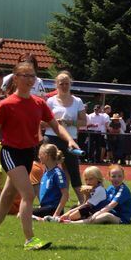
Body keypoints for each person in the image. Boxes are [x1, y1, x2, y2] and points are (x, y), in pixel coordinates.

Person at [0, 60, 79, 251]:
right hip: (10, 153)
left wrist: (69, 141)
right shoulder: (6, 104)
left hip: (28, 153)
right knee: (28, 193)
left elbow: (56, 126)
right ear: (16, 78)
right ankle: (30, 240)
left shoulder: (39, 103)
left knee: (7, 197)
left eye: (33, 76)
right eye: (26, 75)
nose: (30, 79)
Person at [44, 71, 87, 202]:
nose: (64, 86)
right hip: (52, 137)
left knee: (72, 168)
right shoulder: (50, 101)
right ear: (56, 85)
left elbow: (84, 122)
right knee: (51, 169)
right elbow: (41, 122)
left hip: (70, 139)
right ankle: (49, 198)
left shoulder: (77, 101)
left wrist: (70, 122)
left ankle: (82, 201)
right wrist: (54, 123)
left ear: (71, 84)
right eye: (61, 83)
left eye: (67, 83)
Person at [67, 165, 131, 225]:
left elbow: (111, 205)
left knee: (106, 216)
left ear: (123, 177)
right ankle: (72, 218)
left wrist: (97, 213)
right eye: (113, 176)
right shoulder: (111, 188)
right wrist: (87, 195)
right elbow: (102, 201)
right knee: (89, 209)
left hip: (121, 219)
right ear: (109, 177)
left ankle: (72, 222)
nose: (116, 179)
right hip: (110, 212)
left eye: (119, 176)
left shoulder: (123, 190)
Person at [32, 144, 69, 220]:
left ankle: (47, 219)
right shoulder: (46, 172)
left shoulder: (57, 173)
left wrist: (56, 214)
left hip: (53, 209)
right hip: (46, 208)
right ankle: (44, 219)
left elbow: (65, 195)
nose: (39, 157)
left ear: (47, 156)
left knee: (24, 213)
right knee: (23, 212)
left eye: (40, 155)